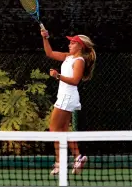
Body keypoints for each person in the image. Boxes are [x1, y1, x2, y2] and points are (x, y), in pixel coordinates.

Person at [40, 29, 96, 175]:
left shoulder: (79, 61)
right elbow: (50, 53)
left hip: (68, 97)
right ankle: (73, 159)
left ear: (80, 46)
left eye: (73, 43)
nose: (69, 45)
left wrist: (57, 76)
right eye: (70, 42)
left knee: (53, 130)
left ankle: (63, 161)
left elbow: (75, 81)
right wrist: (45, 38)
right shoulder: (67, 57)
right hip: (64, 97)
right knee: (62, 131)